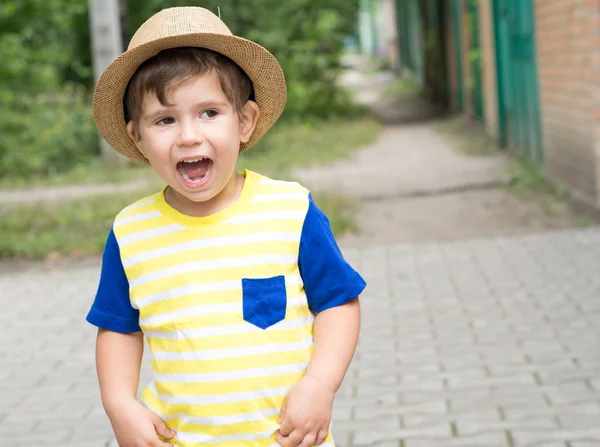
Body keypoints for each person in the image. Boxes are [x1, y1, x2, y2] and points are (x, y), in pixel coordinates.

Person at [86, 6, 366, 447]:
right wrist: (120, 403)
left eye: (209, 113)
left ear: (246, 120)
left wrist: (320, 384)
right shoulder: (131, 232)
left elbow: (338, 304)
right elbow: (119, 328)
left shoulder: (290, 210)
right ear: (137, 136)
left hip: (285, 439)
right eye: (164, 120)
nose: (188, 136)